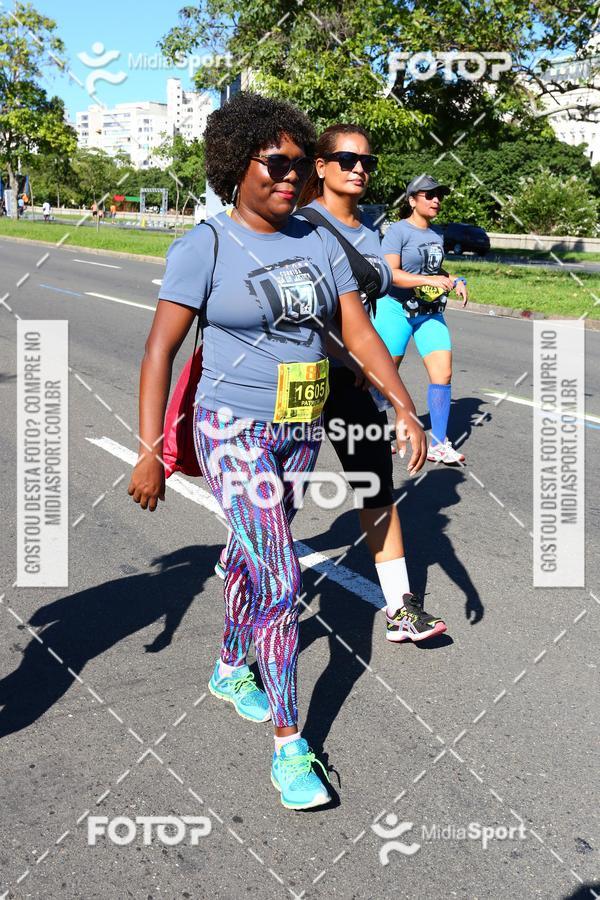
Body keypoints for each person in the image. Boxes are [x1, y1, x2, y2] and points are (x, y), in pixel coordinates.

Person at [127, 92, 426, 810]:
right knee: (281, 575)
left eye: (300, 164)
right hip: (229, 427)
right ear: (238, 164)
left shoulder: (319, 240)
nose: (291, 176)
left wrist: (402, 402)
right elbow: (160, 348)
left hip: (297, 427)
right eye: (276, 162)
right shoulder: (205, 245)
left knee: (251, 552)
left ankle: (231, 664)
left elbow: (354, 332)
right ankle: (291, 744)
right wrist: (149, 451)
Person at [293, 125, 446, 643]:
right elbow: (300, 315)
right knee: (281, 486)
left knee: (375, 484)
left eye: (366, 162)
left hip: (356, 381)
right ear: (320, 166)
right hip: (302, 374)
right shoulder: (295, 227)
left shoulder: (371, 233)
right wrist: (345, 352)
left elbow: (370, 305)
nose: (359, 168)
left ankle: (402, 610)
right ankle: (245, 557)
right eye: (346, 158)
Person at [375, 175, 468, 465]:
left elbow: (435, 269)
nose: (436, 200)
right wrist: (427, 279)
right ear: (412, 200)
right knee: (383, 376)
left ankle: (439, 444)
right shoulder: (397, 232)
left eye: (439, 195)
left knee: (444, 373)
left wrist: (454, 279)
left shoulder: (436, 234)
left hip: (428, 312)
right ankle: (377, 434)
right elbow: (390, 273)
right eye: (429, 195)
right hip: (395, 309)